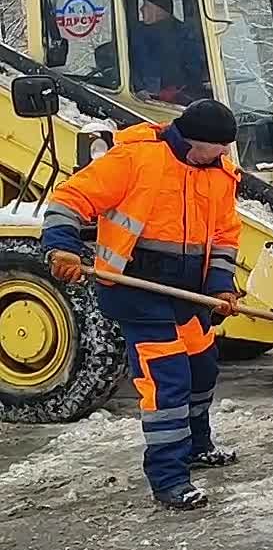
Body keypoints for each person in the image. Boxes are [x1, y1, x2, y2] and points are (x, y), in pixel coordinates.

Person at [41, 100, 244, 511]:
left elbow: (224, 235)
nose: (224, 156)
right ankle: (169, 479)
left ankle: (197, 444)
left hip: (188, 296)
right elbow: (70, 199)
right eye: (217, 148)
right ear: (193, 142)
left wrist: (222, 286)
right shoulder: (135, 158)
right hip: (135, 290)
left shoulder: (220, 174)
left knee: (202, 368)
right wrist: (61, 247)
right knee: (167, 382)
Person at [132, 0, 207, 105]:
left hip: (175, 100)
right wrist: (138, 89)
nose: (141, 9)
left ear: (160, 10)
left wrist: (179, 90)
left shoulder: (184, 34)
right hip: (139, 98)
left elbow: (195, 67)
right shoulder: (137, 32)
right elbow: (129, 62)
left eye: (146, 6)